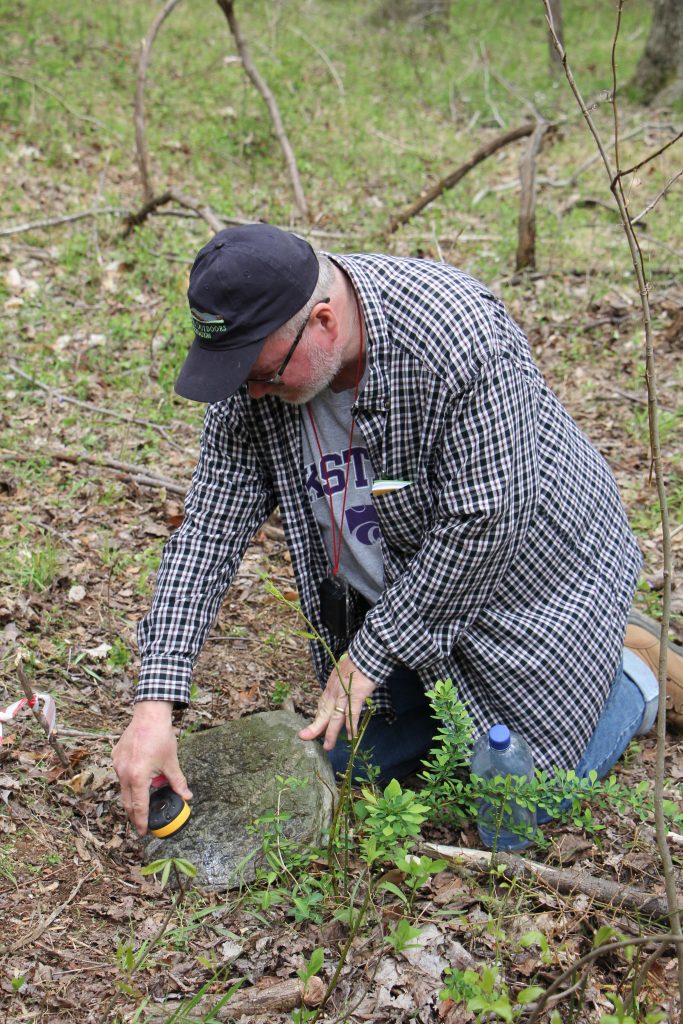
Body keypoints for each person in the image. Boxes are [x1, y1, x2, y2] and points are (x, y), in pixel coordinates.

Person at [113, 223, 683, 836]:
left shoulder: (456, 336)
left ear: (325, 323)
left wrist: (372, 653)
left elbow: (483, 524)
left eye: (263, 377)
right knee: (356, 765)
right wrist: (156, 701)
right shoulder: (259, 361)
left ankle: (631, 674)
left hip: (535, 583)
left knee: (512, 811)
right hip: (409, 588)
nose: (251, 394)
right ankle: (562, 664)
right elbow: (207, 531)